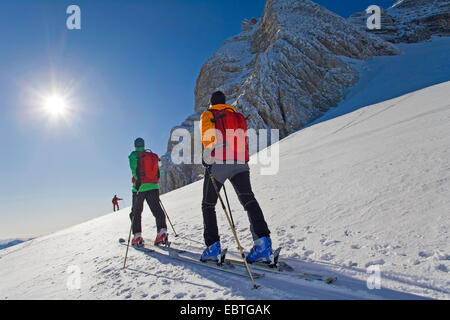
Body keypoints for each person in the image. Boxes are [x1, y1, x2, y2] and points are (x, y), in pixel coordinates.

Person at [199, 91, 272, 263]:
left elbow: (208, 138)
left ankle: (212, 247)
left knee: (208, 204)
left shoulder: (209, 114)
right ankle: (262, 244)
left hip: (220, 162)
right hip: (240, 162)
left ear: (211, 103)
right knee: (248, 200)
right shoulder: (236, 115)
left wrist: (207, 158)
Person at [128, 137, 168, 248]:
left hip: (139, 188)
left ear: (135, 146)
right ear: (144, 145)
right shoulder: (152, 156)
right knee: (157, 209)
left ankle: (137, 236)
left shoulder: (134, 155)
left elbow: (134, 170)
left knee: (135, 212)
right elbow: (158, 173)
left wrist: (138, 182)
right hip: (153, 186)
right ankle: (162, 232)